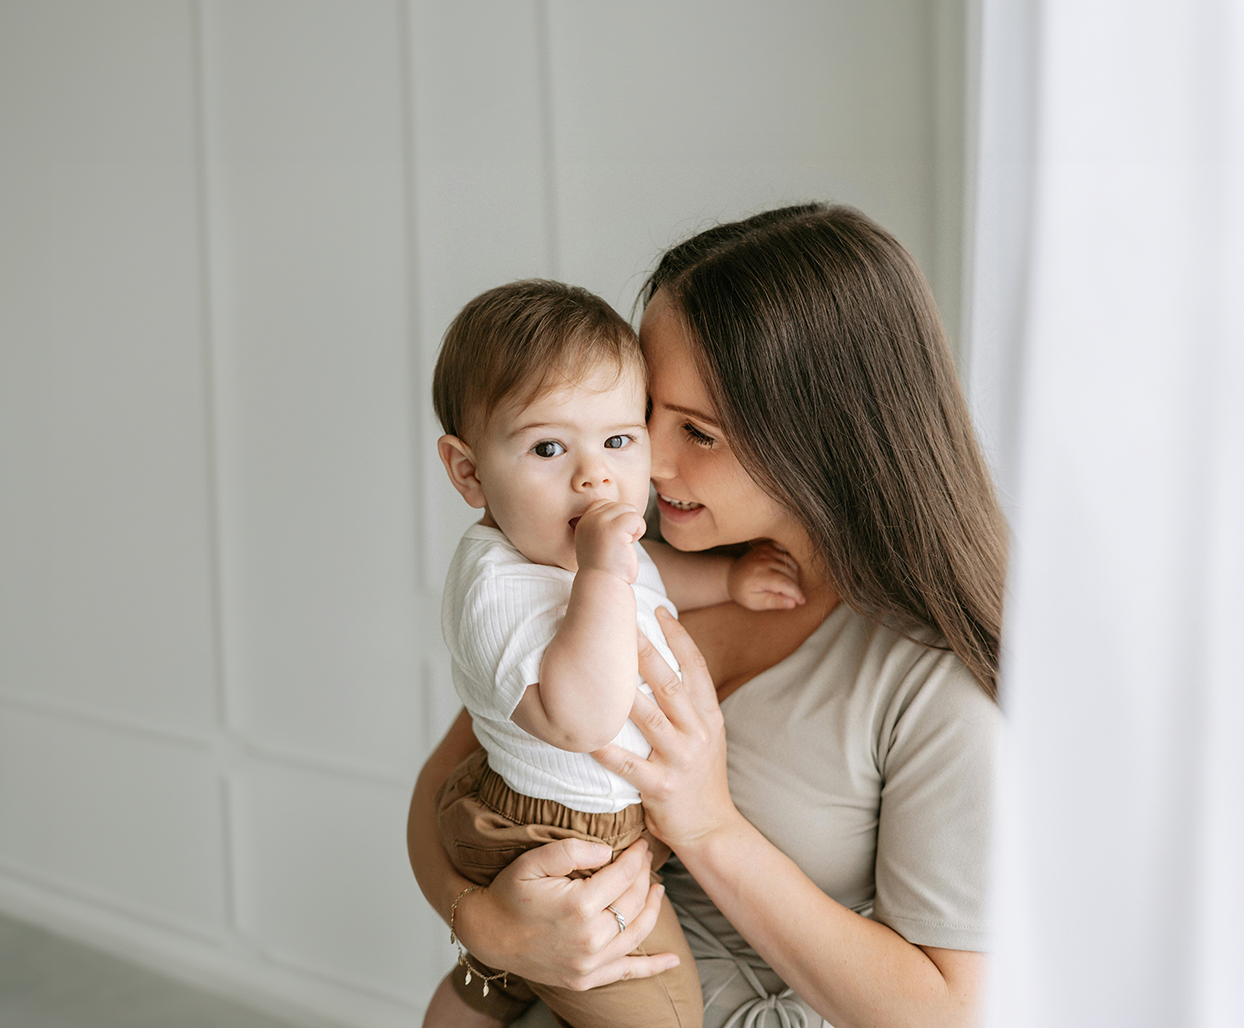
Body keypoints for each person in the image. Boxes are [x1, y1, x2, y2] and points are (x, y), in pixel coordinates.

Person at [407, 205, 1005, 1028]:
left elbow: (943, 1015)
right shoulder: (610, 561)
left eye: (697, 431)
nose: (645, 461)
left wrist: (708, 826)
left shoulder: (933, 683)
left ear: (817, 440)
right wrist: (486, 930)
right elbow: (448, 786)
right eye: (648, 411)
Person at [424, 279, 803, 1028]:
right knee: (665, 1014)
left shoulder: (578, 548)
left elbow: (654, 580)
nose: (593, 475)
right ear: (469, 473)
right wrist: (602, 572)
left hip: (595, 825)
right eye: (548, 447)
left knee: (500, 985)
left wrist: (728, 581)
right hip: (555, 839)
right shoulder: (499, 586)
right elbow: (583, 718)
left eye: (619, 441)